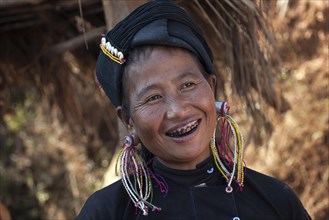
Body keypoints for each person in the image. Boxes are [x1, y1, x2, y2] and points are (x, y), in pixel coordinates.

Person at [77, 1, 311, 219]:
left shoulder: (277, 201)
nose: (177, 110)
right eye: (153, 97)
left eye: (187, 85)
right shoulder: (107, 212)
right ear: (127, 119)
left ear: (211, 86)